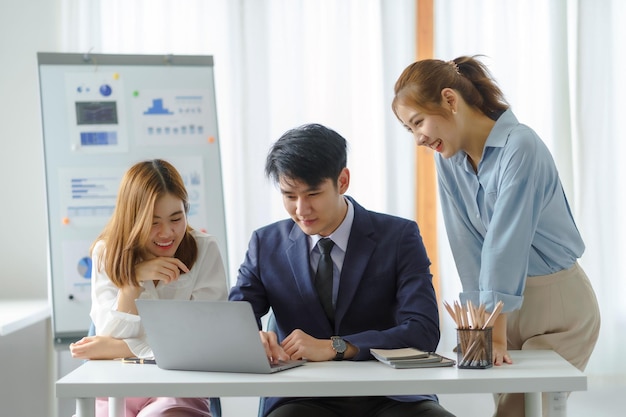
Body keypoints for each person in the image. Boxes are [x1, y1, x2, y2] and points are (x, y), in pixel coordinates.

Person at [392, 56, 601, 416]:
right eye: (410, 130)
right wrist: (480, 328)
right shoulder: (448, 161)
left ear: (450, 100)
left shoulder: (521, 146)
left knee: (514, 413)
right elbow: (467, 246)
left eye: (418, 122)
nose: (418, 139)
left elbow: (506, 243)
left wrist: (494, 331)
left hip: (558, 307)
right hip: (501, 312)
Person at [229, 123, 456, 417]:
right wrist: (251, 337)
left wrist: (339, 347)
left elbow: (423, 331)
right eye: (289, 196)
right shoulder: (265, 244)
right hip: (303, 397)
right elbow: (237, 316)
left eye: (312, 194)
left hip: (393, 394)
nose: (301, 209)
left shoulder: (398, 236)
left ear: (343, 181)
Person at [69, 159, 228, 417]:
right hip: (118, 385)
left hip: (178, 386)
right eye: (154, 222)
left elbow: (204, 341)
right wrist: (131, 282)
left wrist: (122, 348)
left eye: (176, 218)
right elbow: (110, 331)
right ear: (132, 220)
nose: (167, 233)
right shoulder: (106, 253)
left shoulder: (204, 249)